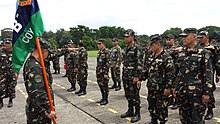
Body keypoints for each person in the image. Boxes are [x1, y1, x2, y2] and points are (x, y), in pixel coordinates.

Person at [174, 28, 213, 124]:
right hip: (182, 93)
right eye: (182, 37)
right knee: (184, 119)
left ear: (194, 36)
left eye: (186, 36)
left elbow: (208, 74)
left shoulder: (203, 53)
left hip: (197, 94)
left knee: (197, 120)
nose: (183, 39)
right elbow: (179, 72)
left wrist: (207, 93)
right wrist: (175, 87)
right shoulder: (182, 53)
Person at [142, 34, 175, 124]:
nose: (150, 47)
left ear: (158, 44)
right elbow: (147, 70)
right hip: (152, 87)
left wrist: (168, 88)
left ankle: (162, 122)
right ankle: (153, 120)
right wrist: (140, 78)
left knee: (161, 108)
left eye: (152, 44)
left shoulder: (166, 57)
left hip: (161, 89)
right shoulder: (151, 56)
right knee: (152, 105)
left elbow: (170, 74)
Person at [23, 41, 57, 124]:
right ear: (43, 51)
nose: (47, 55)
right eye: (47, 53)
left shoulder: (31, 62)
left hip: (36, 109)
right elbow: (38, 92)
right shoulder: (35, 68)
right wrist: (47, 111)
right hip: (39, 114)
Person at [120, 29, 143, 123]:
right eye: (125, 36)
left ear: (132, 37)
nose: (125, 38)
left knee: (135, 96)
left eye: (127, 36)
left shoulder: (137, 48)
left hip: (133, 76)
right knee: (128, 94)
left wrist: (137, 77)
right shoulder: (125, 48)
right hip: (126, 75)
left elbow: (140, 63)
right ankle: (130, 110)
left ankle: (137, 113)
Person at [197, 31, 216, 120]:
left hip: (209, 72)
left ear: (207, 37)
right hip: (199, 73)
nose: (200, 39)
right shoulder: (198, 48)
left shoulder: (212, 48)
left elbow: (217, 61)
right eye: (199, 37)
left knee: (209, 91)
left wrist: (218, 74)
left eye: (202, 37)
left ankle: (210, 110)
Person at [0, 39, 17, 109]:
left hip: (12, 72)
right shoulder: (1, 51)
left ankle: (10, 100)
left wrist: (17, 72)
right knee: (1, 87)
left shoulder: (15, 52)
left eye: (8, 43)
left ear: (11, 44)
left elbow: (18, 63)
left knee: (11, 87)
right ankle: (0, 102)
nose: (6, 44)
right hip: (2, 73)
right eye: (5, 43)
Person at [164, 34, 179, 110]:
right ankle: (170, 101)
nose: (167, 41)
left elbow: (167, 53)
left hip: (175, 70)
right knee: (169, 85)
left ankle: (176, 102)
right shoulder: (166, 48)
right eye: (167, 40)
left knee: (175, 87)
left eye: (169, 40)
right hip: (168, 70)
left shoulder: (175, 48)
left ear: (173, 40)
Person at [96, 38, 110, 105]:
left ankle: (106, 99)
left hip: (104, 72)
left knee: (105, 85)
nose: (98, 45)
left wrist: (106, 73)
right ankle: (103, 97)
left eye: (100, 44)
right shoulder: (99, 52)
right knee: (100, 85)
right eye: (98, 44)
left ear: (103, 44)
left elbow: (108, 63)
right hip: (99, 71)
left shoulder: (106, 51)